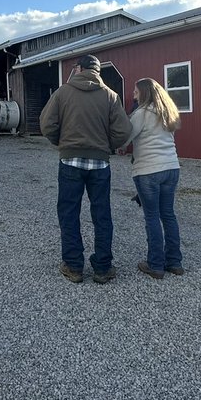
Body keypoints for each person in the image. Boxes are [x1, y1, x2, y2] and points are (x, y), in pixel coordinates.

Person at [39, 54, 132, 285]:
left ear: (79, 68)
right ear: (98, 71)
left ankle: (73, 266)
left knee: (69, 213)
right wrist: (106, 147)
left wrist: (62, 144)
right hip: (100, 164)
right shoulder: (110, 96)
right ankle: (102, 268)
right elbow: (123, 131)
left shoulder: (63, 92)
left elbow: (46, 124)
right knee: (102, 214)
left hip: (70, 161)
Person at [119, 78, 183, 279]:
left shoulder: (141, 114)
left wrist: (119, 146)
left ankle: (155, 264)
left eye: (136, 92)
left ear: (144, 94)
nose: (134, 95)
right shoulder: (167, 112)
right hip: (172, 167)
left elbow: (125, 138)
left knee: (152, 216)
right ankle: (174, 262)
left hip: (148, 170)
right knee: (168, 215)